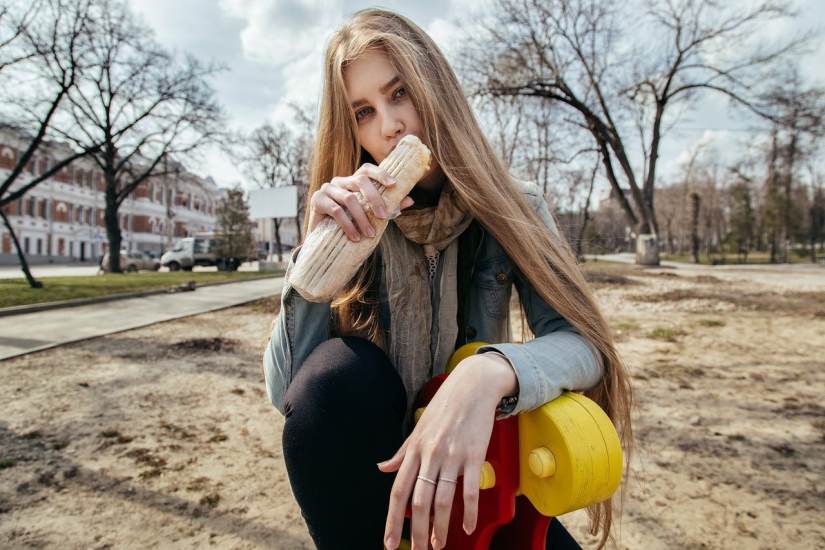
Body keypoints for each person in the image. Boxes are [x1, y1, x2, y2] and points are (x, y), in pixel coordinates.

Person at [262, 8, 633, 550]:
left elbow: (583, 345)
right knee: (339, 375)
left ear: (434, 87)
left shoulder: (515, 205)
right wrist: (314, 264)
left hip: (483, 463)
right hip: (376, 478)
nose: (389, 126)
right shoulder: (350, 216)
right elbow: (293, 398)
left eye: (400, 93)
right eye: (364, 112)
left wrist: (487, 375)